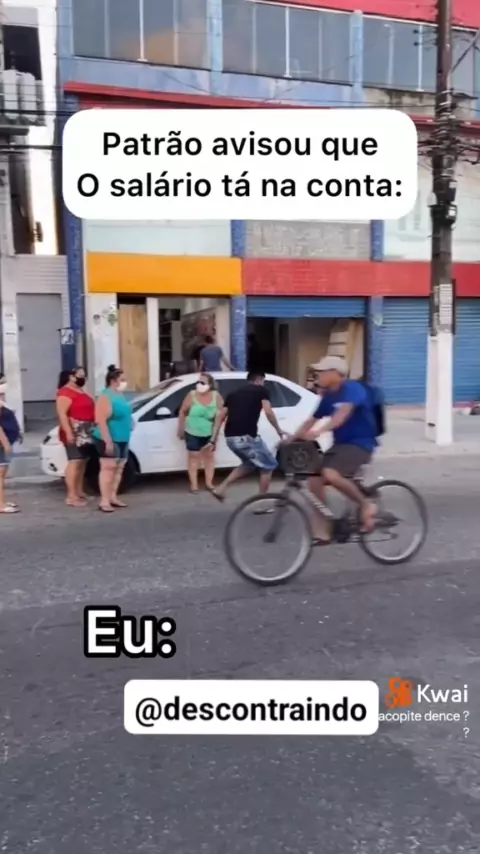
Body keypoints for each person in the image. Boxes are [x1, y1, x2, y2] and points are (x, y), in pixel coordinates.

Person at [285, 356, 377, 544]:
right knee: (314, 478)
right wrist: (291, 439)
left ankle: (366, 504)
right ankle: (324, 529)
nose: (317, 375)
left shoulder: (352, 388)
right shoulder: (328, 397)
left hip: (361, 444)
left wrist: (319, 432)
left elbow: (341, 414)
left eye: (322, 371)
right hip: (340, 445)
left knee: (330, 473)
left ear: (335, 373)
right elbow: (311, 420)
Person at [209, 370, 285, 502]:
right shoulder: (262, 391)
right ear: (259, 380)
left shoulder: (233, 394)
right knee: (269, 466)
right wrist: (279, 430)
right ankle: (261, 503)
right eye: (263, 381)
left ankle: (221, 488)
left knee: (249, 464)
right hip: (246, 438)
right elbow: (268, 412)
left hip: (230, 439)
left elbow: (220, 415)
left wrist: (213, 440)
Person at [92, 365, 133, 513]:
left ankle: (113, 496)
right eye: (122, 379)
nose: (125, 382)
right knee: (108, 468)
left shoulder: (120, 395)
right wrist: (107, 441)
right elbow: (101, 420)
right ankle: (104, 500)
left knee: (119, 468)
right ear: (114, 380)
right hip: (110, 438)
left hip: (123, 437)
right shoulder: (105, 396)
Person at [56, 366, 95, 507]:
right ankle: (71, 496)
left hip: (86, 430)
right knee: (75, 460)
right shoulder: (65, 393)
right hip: (74, 431)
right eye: (80, 375)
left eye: (84, 375)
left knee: (82, 461)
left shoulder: (80, 391)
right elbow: (62, 414)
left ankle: (79, 491)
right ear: (71, 377)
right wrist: (68, 432)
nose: (82, 378)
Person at [177, 373, 223, 493]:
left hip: (209, 432)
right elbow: (182, 411)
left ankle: (209, 483)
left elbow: (220, 416)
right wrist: (180, 428)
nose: (199, 384)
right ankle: (194, 485)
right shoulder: (192, 395)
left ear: (210, 385)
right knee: (194, 457)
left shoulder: (216, 396)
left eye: (203, 382)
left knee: (209, 457)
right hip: (192, 431)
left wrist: (215, 436)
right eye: (198, 382)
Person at [0, 374, 21, 513]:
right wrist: (5, 442)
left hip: (8, 440)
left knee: (3, 473)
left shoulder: (2, 401)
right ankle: (1, 505)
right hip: (2, 443)